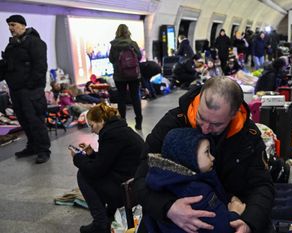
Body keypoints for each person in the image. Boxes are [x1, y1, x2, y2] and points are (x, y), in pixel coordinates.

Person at [134, 76, 275, 233]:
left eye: (216, 124)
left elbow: (262, 185)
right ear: (199, 99)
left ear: (234, 114)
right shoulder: (173, 124)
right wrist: (168, 207)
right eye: (201, 117)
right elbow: (140, 179)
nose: (206, 129)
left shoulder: (248, 136)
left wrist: (248, 222)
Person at [145, 128, 246, 233]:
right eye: (207, 152)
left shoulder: (165, 180)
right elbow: (223, 227)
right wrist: (235, 213)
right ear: (189, 157)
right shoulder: (196, 191)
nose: (212, 158)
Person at [70, 102, 144, 233]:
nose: (92, 130)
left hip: (128, 190)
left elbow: (96, 171)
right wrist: (92, 154)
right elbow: (110, 159)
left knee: (83, 174)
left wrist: (77, 158)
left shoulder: (111, 135)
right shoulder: (120, 130)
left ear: (101, 121)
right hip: (135, 182)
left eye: (92, 125)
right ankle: (110, 211)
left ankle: (100, 223)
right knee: (90, 170)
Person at [0, 15, 50, 163]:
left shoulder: (36, 43)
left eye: (13, 25)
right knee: (24, 120)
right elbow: (8, 67)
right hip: (16, 91)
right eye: (9, 25)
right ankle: (32, 146)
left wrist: (30, 85)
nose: (10, 28)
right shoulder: (11, 46)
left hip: (31, 91)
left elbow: (40, 67)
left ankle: (43, 150)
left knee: (35, 121)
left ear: (23, 25)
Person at [109, 24, 143, 130]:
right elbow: (139, 57)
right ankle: (138, 121)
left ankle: (123, 122)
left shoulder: (114, 45)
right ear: (127, 32)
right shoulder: (132, 43)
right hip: (134, 74)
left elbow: (111, 59)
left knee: (121, 98)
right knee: (135, 97)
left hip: (119, 76)